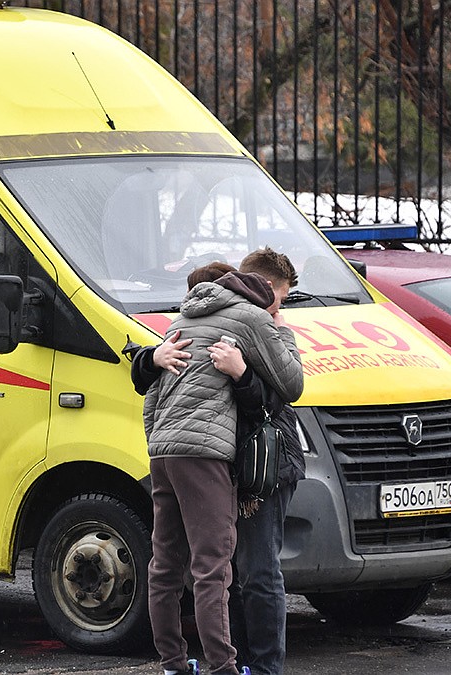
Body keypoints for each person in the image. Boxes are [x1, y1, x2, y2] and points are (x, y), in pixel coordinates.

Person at [139, 254, 303, 675]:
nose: (278, 310)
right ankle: (225, 667)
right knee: (215, 567)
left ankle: (174, 663)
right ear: (257, 288)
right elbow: (291, 385)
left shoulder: (181, 322)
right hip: (212, 458)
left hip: (164, 454)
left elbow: (152, 400)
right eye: (279, 301)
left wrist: (160, 443)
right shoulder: (251, 319)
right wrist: (284, 337)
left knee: (166, 564)